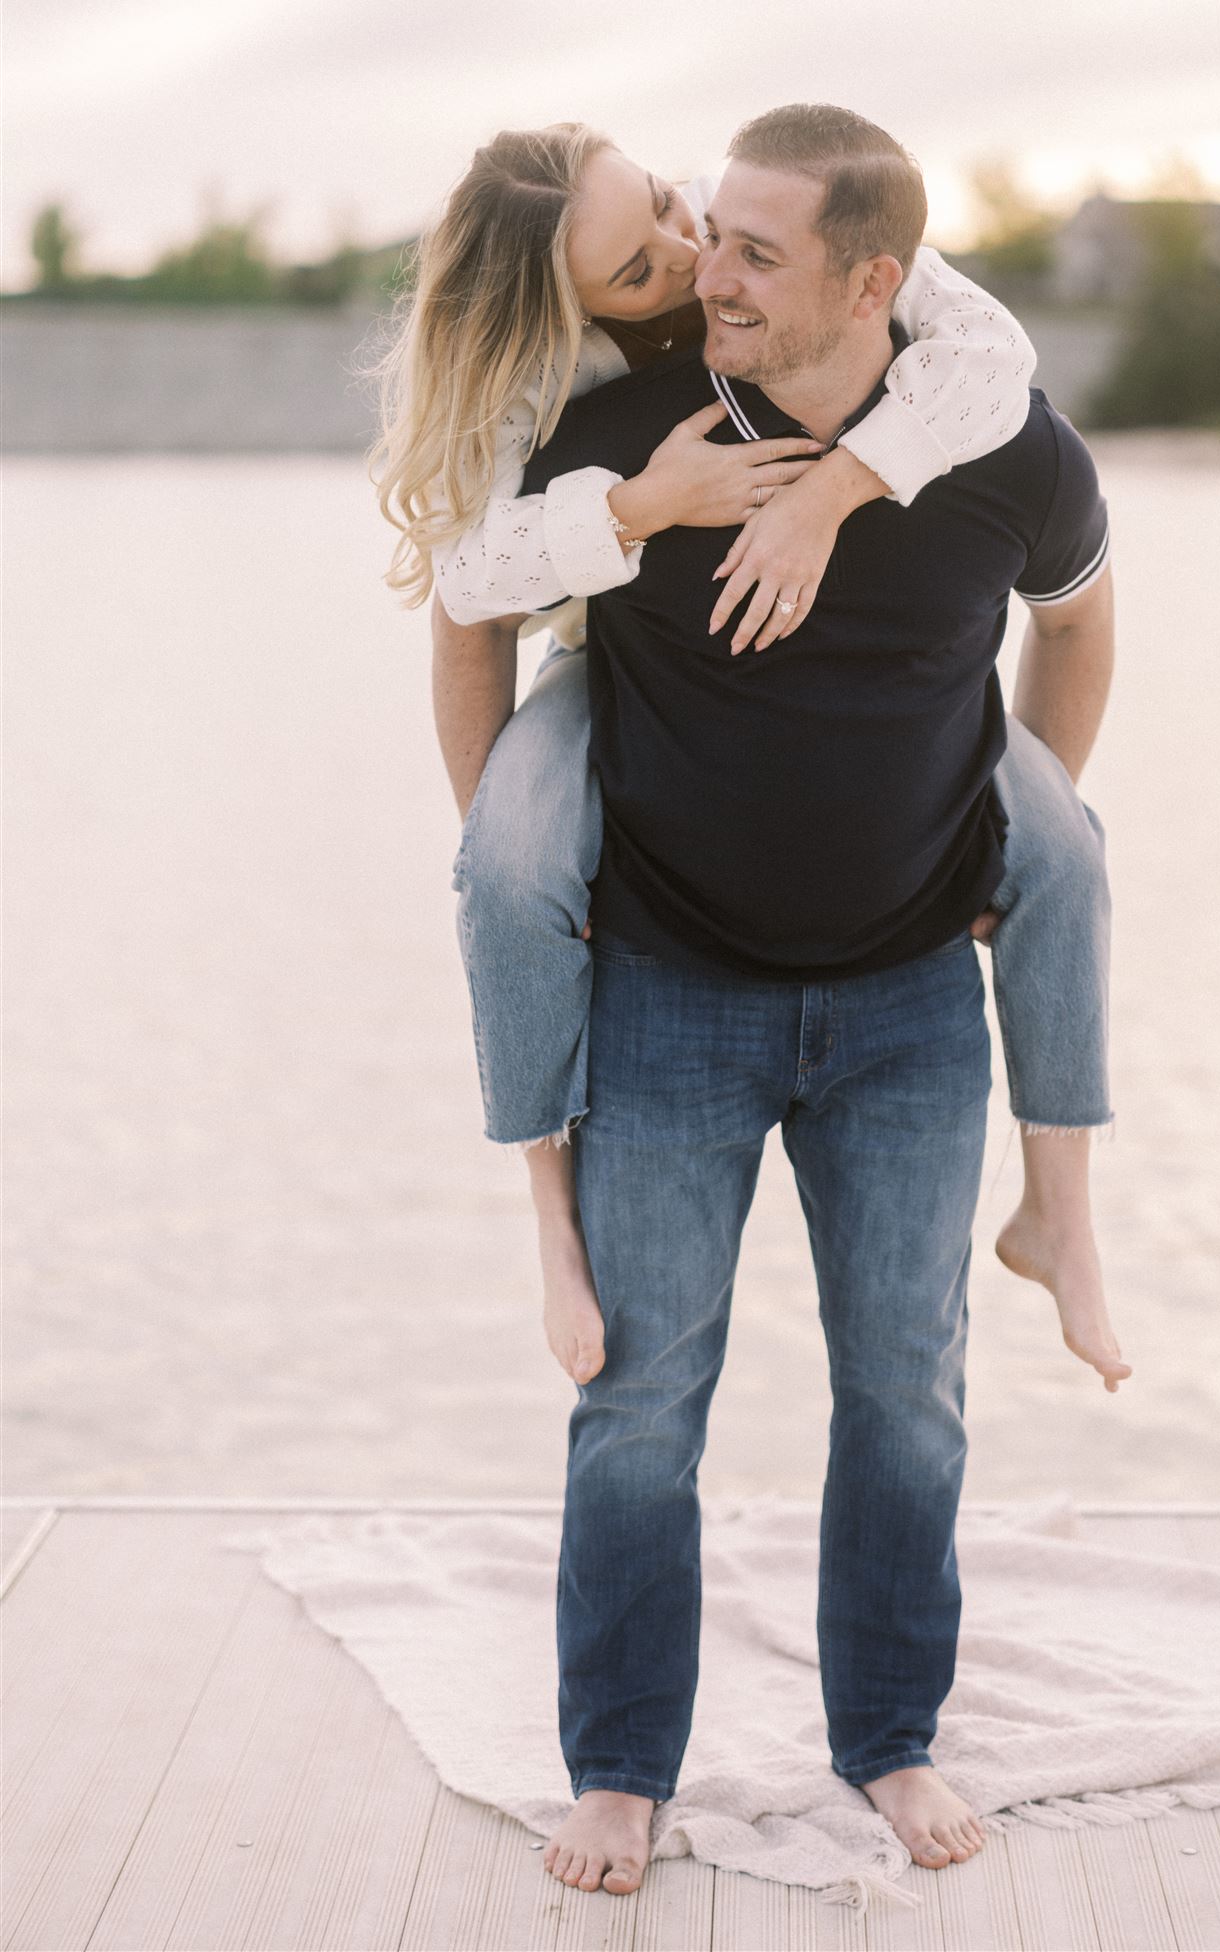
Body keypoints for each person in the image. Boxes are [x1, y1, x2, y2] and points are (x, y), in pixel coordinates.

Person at [461, 104, 1122, 1897]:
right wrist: (501, 850)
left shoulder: (1000, 446)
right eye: (695, 233)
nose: (703, 275)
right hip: (671, 994)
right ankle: (618, 1767)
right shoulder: (629, 439)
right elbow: (467, 606)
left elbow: (1077, 618)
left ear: (871, 280)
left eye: (751, 249)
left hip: (910, 1000)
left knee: (907, 1389)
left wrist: (1017, 820)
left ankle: (891, 1737)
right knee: (640, 1400)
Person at [372, 125, 1130, 1411]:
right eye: (637, 266)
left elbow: (994, 362)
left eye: (679, 211)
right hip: (592, 645)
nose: (686, 258)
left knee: (1063, 846)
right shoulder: (551, 400)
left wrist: (827, 491)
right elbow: (470, 595)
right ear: (569, 308)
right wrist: (642, 506)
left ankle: (1062, 1208)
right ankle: (548, 1217)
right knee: (502, 869)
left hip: (895, 890)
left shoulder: (797, 247)